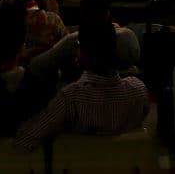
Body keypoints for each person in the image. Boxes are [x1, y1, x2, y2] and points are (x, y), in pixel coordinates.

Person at [13, 20, 149, 151]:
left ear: (82, 53)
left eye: (78, 44)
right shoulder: (138, 91)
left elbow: (24, 140)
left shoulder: (70, 98)